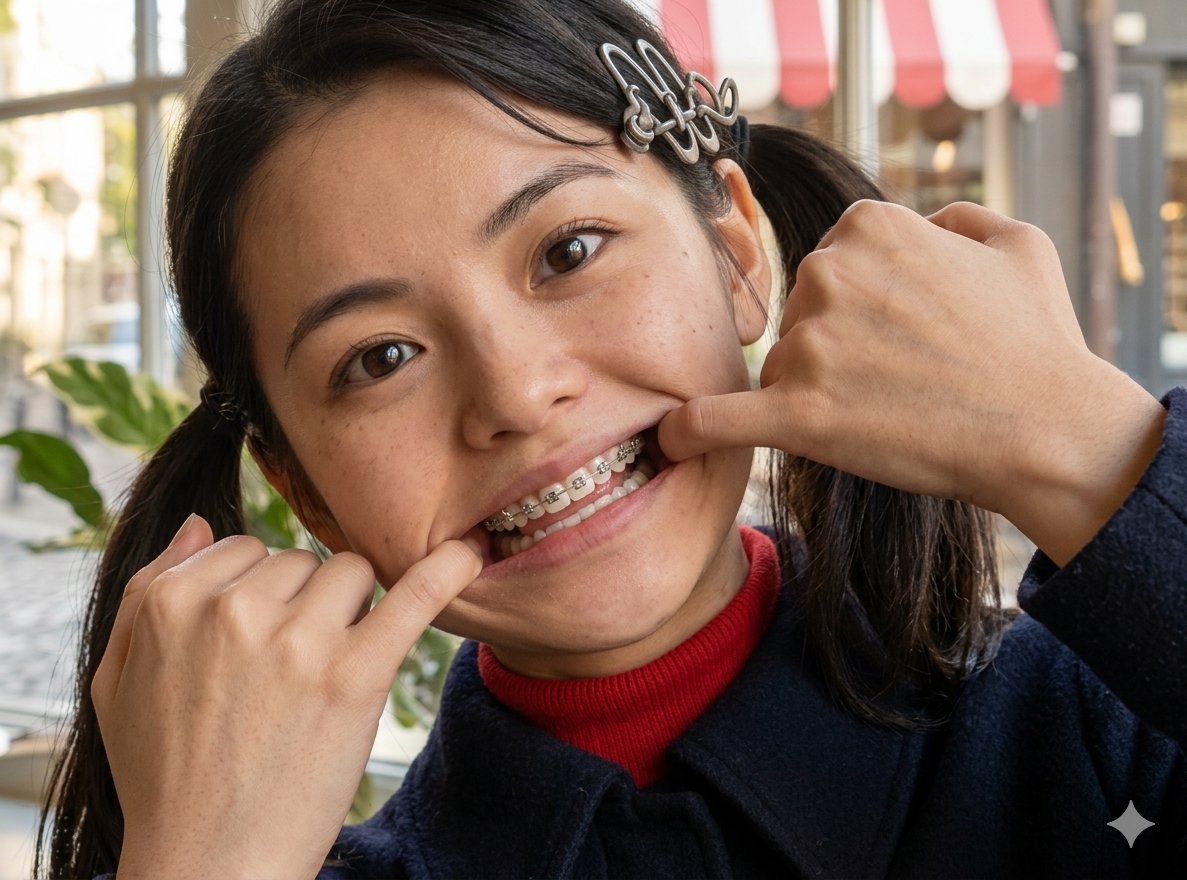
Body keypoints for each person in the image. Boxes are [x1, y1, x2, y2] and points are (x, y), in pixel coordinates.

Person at [35, 0, 1184, 877]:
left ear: (735, 257)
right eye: (379, 357)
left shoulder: (1090, 725)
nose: (517, 392)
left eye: (569, 250)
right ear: (306, 492)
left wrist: (1089, 449)